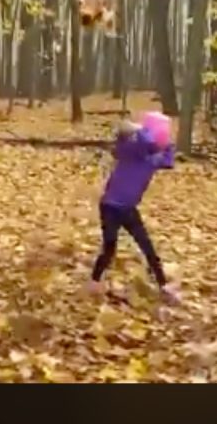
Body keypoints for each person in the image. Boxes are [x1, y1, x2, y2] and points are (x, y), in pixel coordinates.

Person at [88, 116, 180, 304]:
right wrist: (142, 129)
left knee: (147, 247)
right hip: (110, 206)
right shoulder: (129, 151)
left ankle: (164, 285)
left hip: (128, 209)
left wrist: (168, 144)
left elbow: (169, 162)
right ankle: (94, 281)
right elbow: (123, 134)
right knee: (109, 246)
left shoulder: (152, 160)